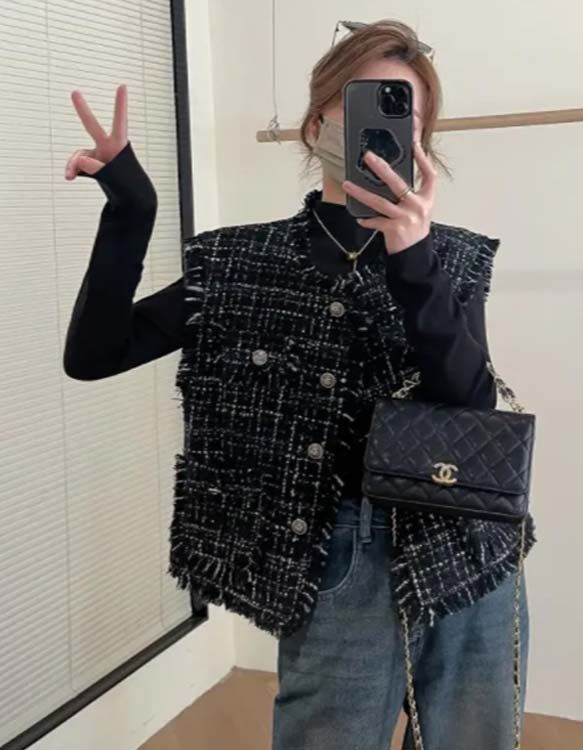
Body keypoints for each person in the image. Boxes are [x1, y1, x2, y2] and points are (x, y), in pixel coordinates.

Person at [63, 18, 537, 750]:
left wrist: (412, 257)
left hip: (466, 547)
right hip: (329, 550)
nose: (386, 130)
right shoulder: (238, 264)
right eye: (366, 103)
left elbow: (467, 402)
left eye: (406, 114)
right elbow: (95, 353)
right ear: (317, 125)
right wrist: (131, 209)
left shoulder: (452, 258)